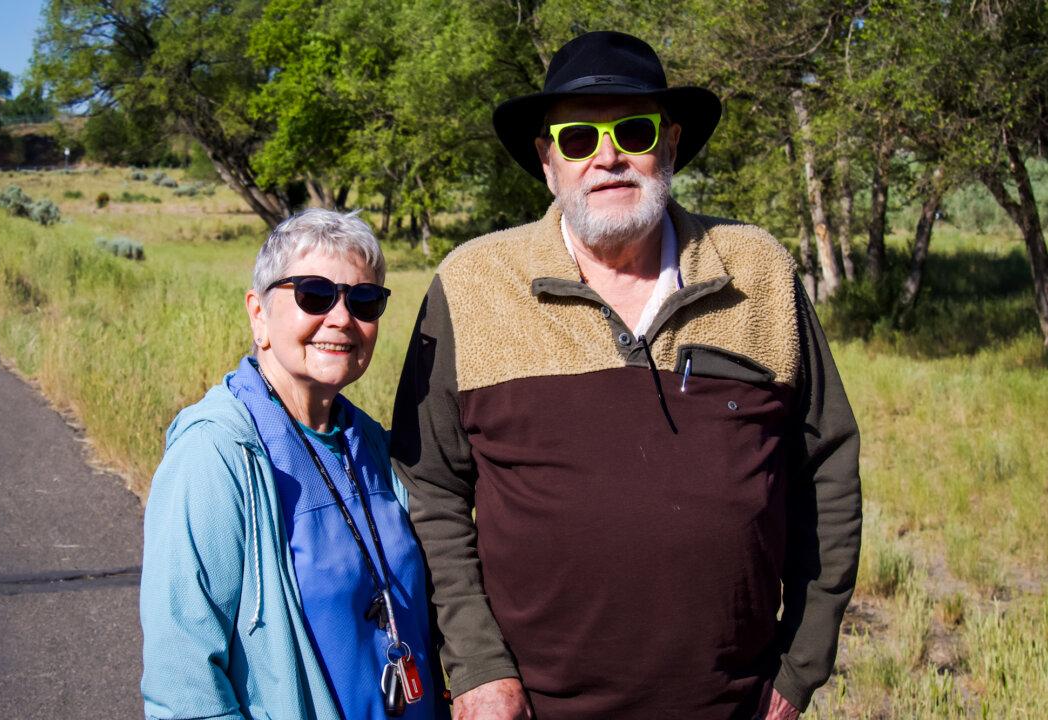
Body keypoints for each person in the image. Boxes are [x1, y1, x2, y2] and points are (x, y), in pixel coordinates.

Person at [391, 31, 861, 720]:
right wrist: (479, 665)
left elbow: (827, 467)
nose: (606, 156)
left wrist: (801, 665)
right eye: (577, 139)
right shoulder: (472, 284)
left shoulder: (756, 272)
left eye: (631, 131)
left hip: (735, 705)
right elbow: (428, 487)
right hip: (531, 710)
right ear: (547, 160)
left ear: (669, 145)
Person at [141, 209, 444, 719]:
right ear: (258, 313)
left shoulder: (370, 443)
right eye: (314, 295)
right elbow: (184, 683)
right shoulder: (216, 454)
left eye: (364, 301)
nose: (342, 318)